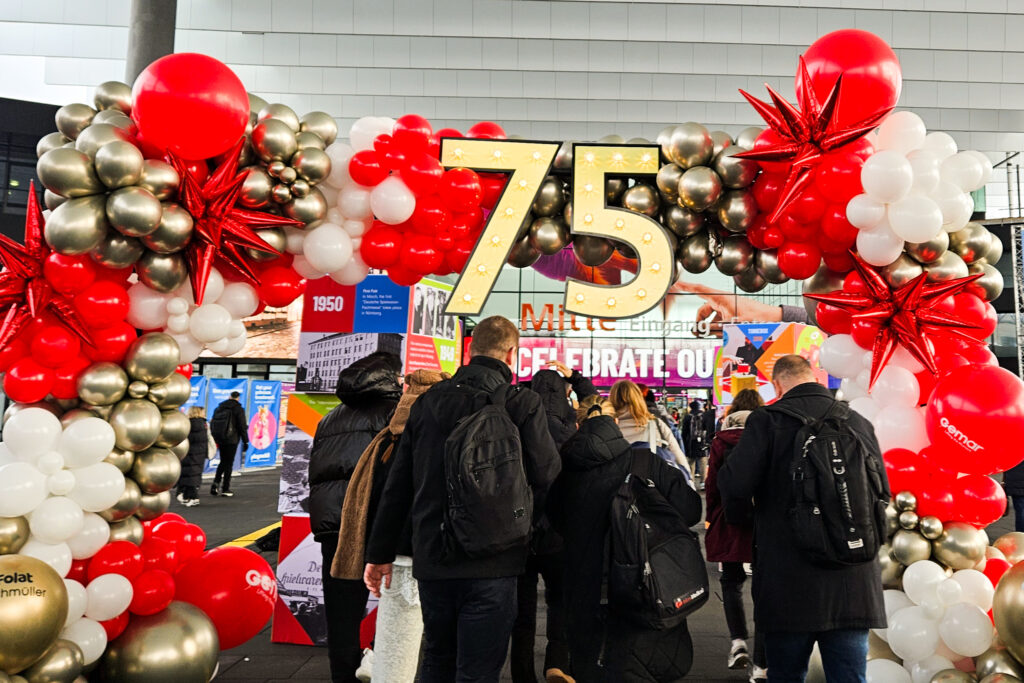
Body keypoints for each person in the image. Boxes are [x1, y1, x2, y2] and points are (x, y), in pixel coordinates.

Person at [364, 315, 561, 683]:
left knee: (437, 657)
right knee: (478, 670)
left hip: (434, 556)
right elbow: (547, 472)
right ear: (512, 353)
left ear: (470, 350)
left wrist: (379, 554)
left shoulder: (428, 403)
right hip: (495, 557)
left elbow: (399, 483)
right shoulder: (522, 404)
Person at [718, 355, 888, 683]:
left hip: (788, 580)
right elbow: (882, 493)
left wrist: (745, 521)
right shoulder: (857, 422)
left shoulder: (766, 421)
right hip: (853, 580)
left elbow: (734, 486)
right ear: (815, 378)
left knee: (786, 674)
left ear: (778, 384)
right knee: (851, 677)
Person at [550, 397, 703, 681]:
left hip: (584, 592)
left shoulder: (565, 471)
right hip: (645, 588)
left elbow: (556, 521)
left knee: (591, 666)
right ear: (616, 423)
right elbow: (691, 510)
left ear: (578, 425)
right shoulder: (646, 463)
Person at [333, 369, 449, 683]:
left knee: (395, 634)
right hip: (421, 550)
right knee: (425, 639)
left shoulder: (386, 436)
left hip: (391, 549)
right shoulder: (433, 435)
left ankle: (374, 665)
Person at [308, 352, 402, 683]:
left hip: (334, 528)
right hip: (379, 527)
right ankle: (380, 667)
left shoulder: (330, 418)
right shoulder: (397, 411)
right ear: (391, 377)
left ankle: (344, 677)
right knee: (398, 610)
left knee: (341, 621)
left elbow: (315, 475)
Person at [512, 361, 597, 683]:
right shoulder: (576, 432)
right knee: (561, 601)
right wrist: (576, 379)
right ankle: (557, 662)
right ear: (566, 395)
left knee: (522, 612)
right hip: (563, 531)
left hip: (520, 532)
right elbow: (596, 406)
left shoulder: (515, 428)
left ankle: (522, 674)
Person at [704, 389, 767, 681]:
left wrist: (711, 517)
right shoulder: (768, 435)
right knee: (765, 587)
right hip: (763, 520)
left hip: (729, 518)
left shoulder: (721, 440)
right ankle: (762, 664)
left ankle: (738, 642)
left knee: (731, 581)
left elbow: (713, 484)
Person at [610, 380, 690, 476]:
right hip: (650, 485)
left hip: (616, 485)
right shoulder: (656, 423)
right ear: (638, 398)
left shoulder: (606, 427)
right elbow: (678, 457)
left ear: (612, 399)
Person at [209, 390, 250, 497]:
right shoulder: (238, 409)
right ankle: (225, 488)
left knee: (223, 461)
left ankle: (216, 483)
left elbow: (213, 423)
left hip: (220, 438)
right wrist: (246, 441)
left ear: (229, 396)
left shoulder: (219, 408)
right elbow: (242, 426)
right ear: (238, 398)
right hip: (232, 439)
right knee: (229, 463)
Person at [177, 406, 208, 507]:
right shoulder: (203, 424)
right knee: (193, 475)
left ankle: (193, 497)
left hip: (190, 452)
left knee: (189, 475)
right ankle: (188, 496)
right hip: (199, 453)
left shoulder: (189, 424)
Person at [681, 400, 713, 488]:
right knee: (703, 463)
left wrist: (684, 445)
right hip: (702, 443)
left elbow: (684, 433)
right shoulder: (705, 416)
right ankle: (703, 483)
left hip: (690, 444)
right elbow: (708, 429)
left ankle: (691, 483)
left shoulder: (688, 417)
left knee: (690, 463)